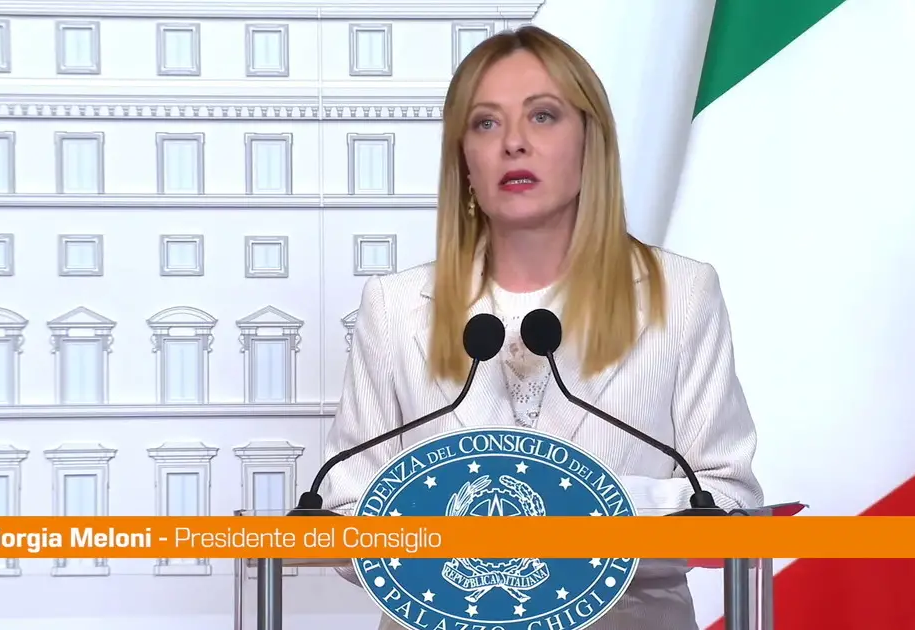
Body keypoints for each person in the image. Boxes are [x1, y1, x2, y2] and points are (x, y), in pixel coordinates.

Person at [319, 24, 763, 630]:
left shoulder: (682, 294)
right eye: (486, 123)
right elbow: (344, 513)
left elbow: (729, 501)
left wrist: (585, 507)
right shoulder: (393, 307)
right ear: (464, 161)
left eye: (543, 116)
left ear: (590, 143)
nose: (513, 143)